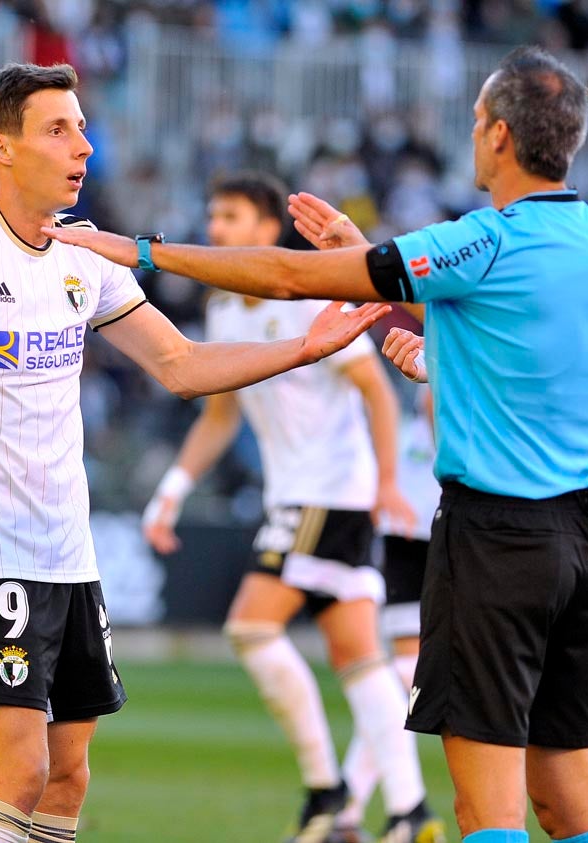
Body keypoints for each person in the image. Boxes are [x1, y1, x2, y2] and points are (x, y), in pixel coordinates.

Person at [45, 46, 588, 843]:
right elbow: (517, 338)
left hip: (499, 539)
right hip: (585, 539)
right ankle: (344, 791)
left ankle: (336, 792)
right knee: (571, 799)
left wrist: (142, 251)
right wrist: (401, 300)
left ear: (497, 135)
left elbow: (291, 280)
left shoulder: (484, 241)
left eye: (473, 122)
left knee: (486, 807)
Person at [0, 62, 390, 843]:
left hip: (69, 553)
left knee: (68, 780)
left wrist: (303, 349)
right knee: (17, 776)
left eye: (81, 126)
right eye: (59, 129)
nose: (83, 144)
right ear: (1, 148)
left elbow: (180, 365)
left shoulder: (82, 251)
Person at [140, 171, 444, 843]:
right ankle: (408, 811)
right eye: (213, 216)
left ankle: (324, 788)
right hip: (299, 495)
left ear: (264, 231)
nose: (215, 230)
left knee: (251, 628)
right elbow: (220, 414)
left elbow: (372, 387)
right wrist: (170, 491)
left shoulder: (309, 296)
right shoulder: (223, 310)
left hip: (328, 493)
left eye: (230, 218)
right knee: (359, 658)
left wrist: (387, 481)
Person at [331, 384, 443, 843]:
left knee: (402, 674)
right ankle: (366, 809)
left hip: (419, 517)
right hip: (428, 518)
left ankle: (351, 806)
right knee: (403, 673)